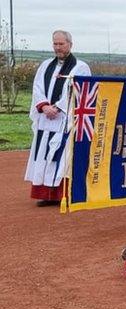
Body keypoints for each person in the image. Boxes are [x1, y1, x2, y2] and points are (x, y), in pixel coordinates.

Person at [24, 30, 91, 206]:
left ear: (70, 44)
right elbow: (37, 88)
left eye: (61, 44)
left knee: (61, 157)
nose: (58, 47)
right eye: (55, 44)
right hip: (45, 119)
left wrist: (58, 107)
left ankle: (62, 194)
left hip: (64, 119)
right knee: (43, 155)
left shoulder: (80, 67)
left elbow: (79, 92)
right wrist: (44, 106)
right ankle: (45, 194)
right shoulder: (45, 65)